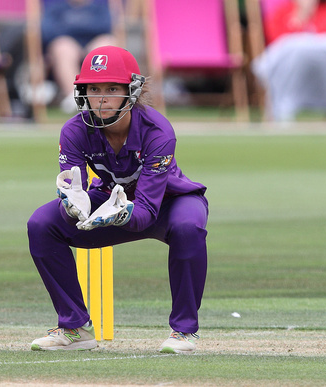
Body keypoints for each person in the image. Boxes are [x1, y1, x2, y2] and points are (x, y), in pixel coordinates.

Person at [27, 46, 208, 354]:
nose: (101, 97)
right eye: (93, 88)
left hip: (168, 202)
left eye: (112, 88)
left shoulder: (158, 131)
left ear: (132, 91)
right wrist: (74, 204)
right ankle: (74, 327)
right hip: (108, 197)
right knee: (42, 224)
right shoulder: (74, 130)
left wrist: (121, 213)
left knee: (189, 226)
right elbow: (76, 187)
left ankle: (184, 332)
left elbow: (147, 211)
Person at [251, 0, 326, 121]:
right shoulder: (281, 14)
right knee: (294, 49)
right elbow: (277, 47)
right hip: (291, 70)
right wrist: (301, 17)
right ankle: (282, 108)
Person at [40, 0, 117, 114]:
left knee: (107, 43)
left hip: (93, 47)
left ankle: (103, 96)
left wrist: (84, 47)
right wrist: (75, 41)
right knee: (63, 46)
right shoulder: (56, 9)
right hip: (66, 48)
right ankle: (76, 97)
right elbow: (48, 32)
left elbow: (106, 27)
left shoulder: (99, 9)